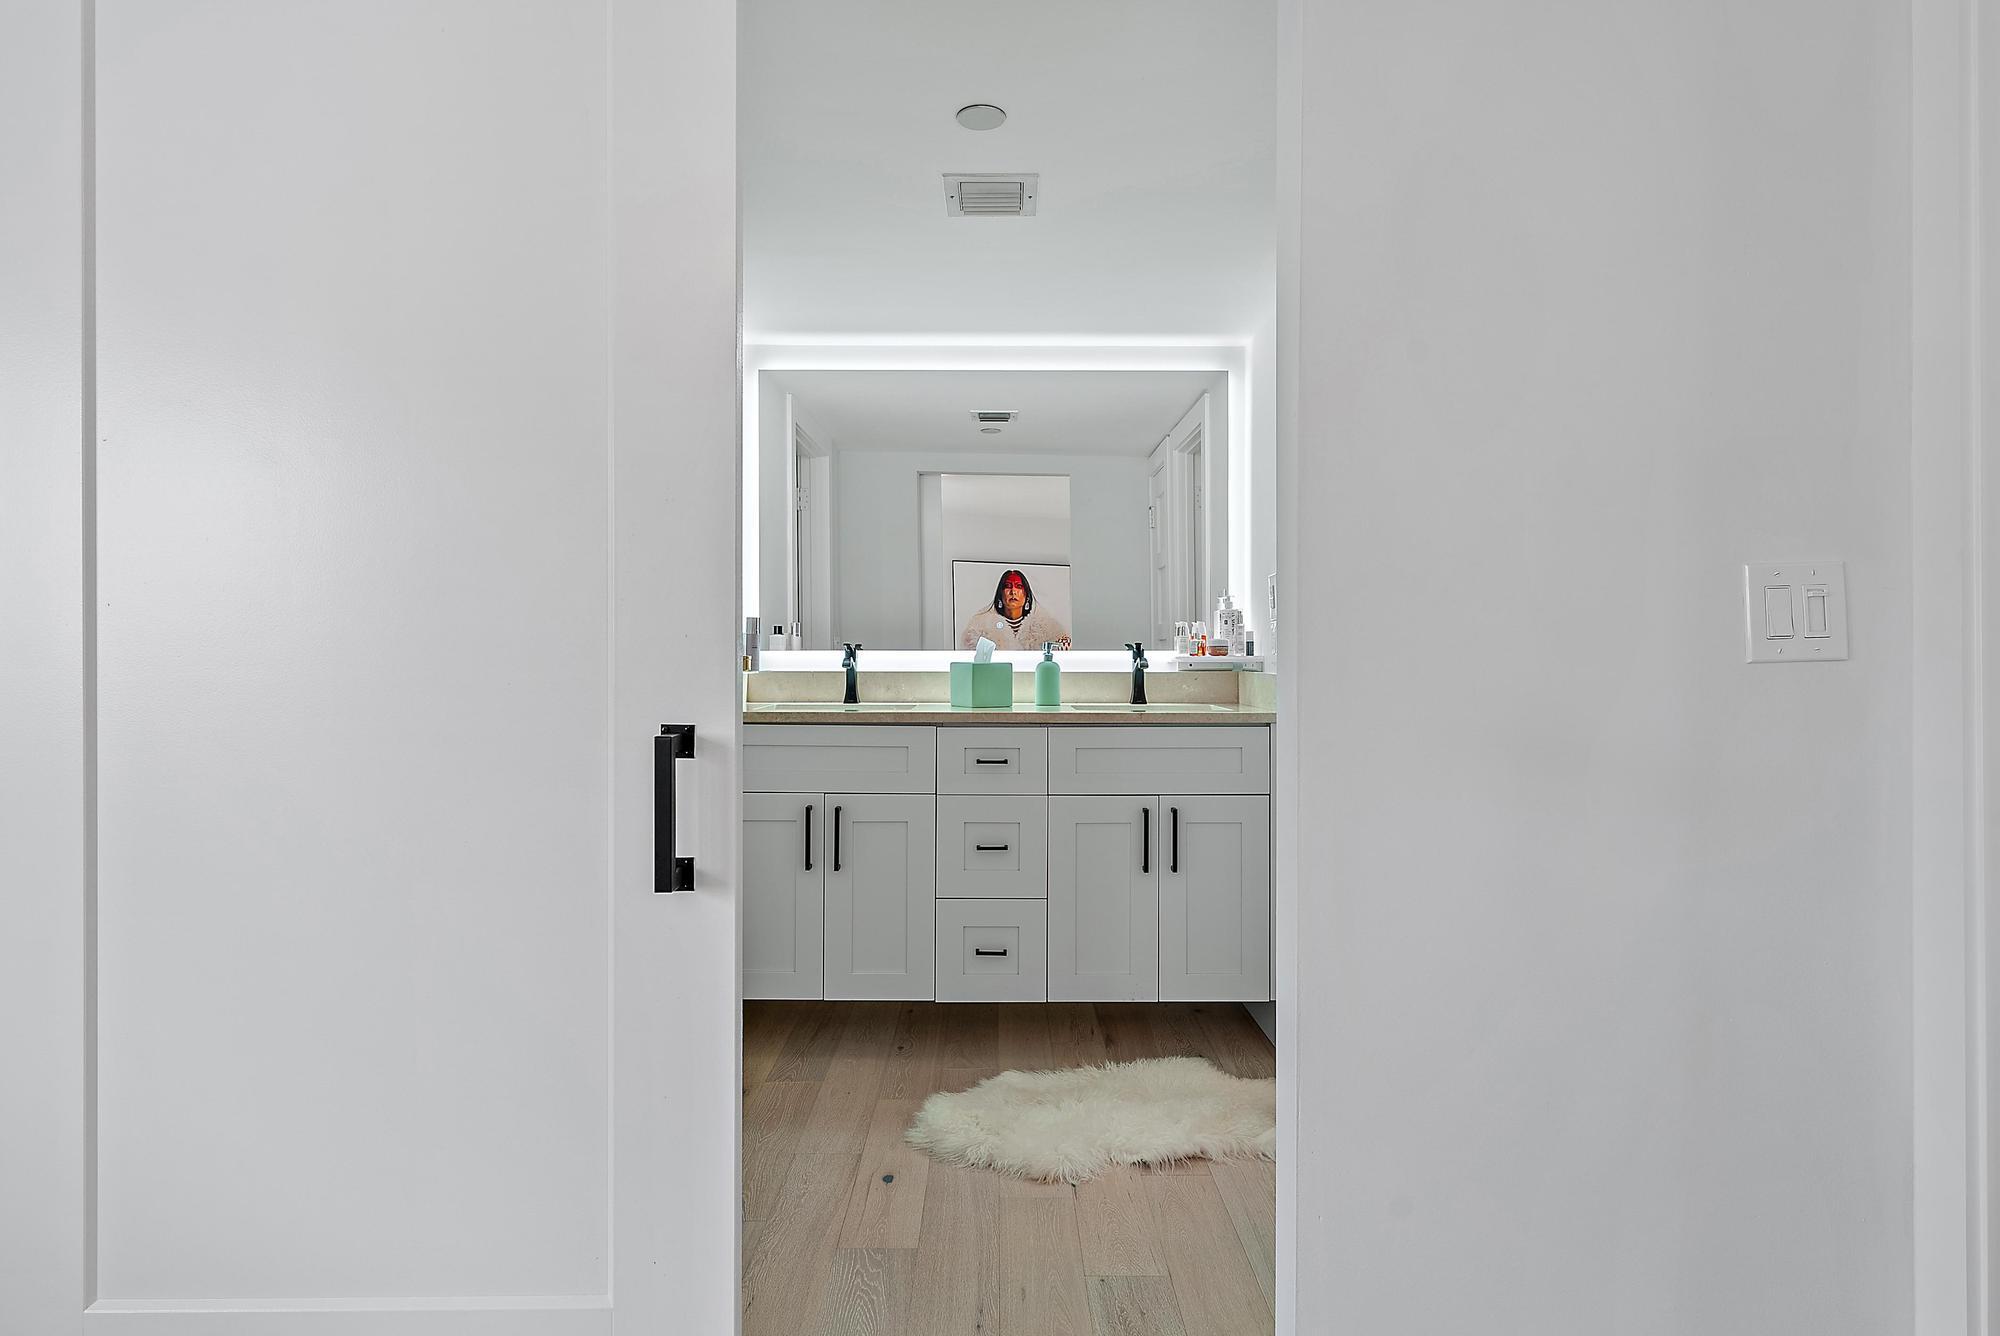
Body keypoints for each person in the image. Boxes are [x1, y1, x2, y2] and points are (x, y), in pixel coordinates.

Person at [960, 568, 1071, 651]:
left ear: (1026, 595)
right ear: (1000, 594)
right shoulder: (981, 628)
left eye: (1018, 586)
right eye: (1008, 586)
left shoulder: (1048, 630)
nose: (1013, 591)